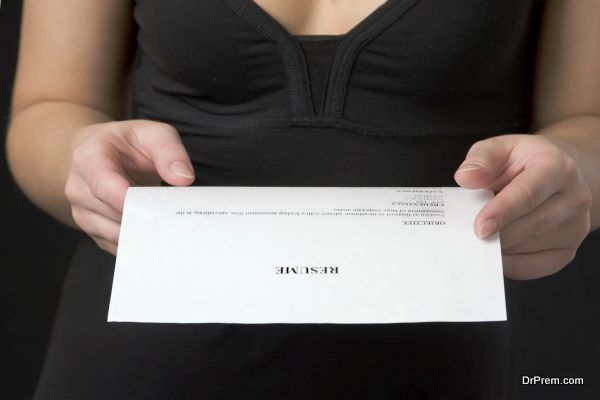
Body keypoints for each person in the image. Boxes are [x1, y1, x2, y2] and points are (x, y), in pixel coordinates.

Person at [5, 0, 599, 398]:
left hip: (448, 363)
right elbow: (49, 105)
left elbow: (586, 120)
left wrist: (569, 173)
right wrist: (80, 159)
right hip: (138, 363)